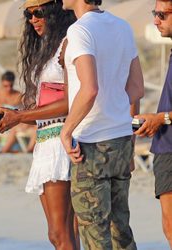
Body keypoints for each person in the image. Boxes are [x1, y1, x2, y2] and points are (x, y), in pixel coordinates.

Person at [0, 1, 79, 249]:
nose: (33, 19)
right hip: (45, 141)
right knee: (58, 235)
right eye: (28, 14)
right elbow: (42, 102)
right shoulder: (46, 49)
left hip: (62, 141)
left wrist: (19, 117)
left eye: (39, 12)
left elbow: (72, 101)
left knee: (63, 233)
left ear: (55, 12)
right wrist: (9, 113)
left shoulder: (67, 44)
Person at [60, 0, 144, 249]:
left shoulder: (79, 30)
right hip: (120, 138)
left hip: (92, 142)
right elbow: (137, 88)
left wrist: (66, 131)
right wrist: (114, 106)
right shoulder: (122, 26)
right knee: (121, 230)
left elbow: (89, 89)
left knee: (96, 234)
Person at [134, 0, 172, 248]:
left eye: (162, 15)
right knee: (169, 227)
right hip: (165, 144)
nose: (156, 20)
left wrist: (163, 118)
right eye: (154, 13)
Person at [0, 71, 36, 153]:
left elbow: (30, 109)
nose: (8, 88)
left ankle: (29, 151)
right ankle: (4, 151)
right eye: (5, 86)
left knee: (35, 127)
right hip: (1, 124)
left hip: (16, 124)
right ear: (1, 83)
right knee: (15, 128)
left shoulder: (18, 95)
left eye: (10, 86)